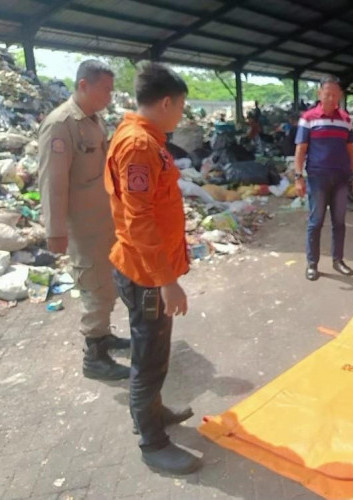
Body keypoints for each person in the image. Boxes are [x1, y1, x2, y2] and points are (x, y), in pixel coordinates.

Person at [104, 62, 201, 475]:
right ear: (166, 103)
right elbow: (139, 219)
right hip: (146, 274)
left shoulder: (146, 139)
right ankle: (152, 441)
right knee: (149, 357)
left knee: (154, 351)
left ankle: (153, 413)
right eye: (180, 106)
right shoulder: (139, 145)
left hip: (147, 268)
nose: (181, 114)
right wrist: (167, 281)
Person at [38, 60, 131, 381]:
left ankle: (103, 335)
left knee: (107, 283)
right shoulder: (61, 124)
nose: (109, 96)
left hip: (103, 220)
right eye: (105, 89)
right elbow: (53, 182)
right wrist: (55, 231)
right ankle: (95, 356)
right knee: (94, 286)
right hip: (82, 226)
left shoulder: (94, 121)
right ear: (83, 86)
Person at [294, 75, 353, 281]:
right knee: (316, 221)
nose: (331, 98)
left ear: (340, 95)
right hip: (317, 178)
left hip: (341, 178)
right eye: (327, 94)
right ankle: (312, 264)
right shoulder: (308, 118)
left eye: (335, 94)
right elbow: (301, 149)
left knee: (339, 222)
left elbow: (351, 151)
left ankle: (338, 260)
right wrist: (298, 177)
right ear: (319, 94)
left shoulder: (345, 120)